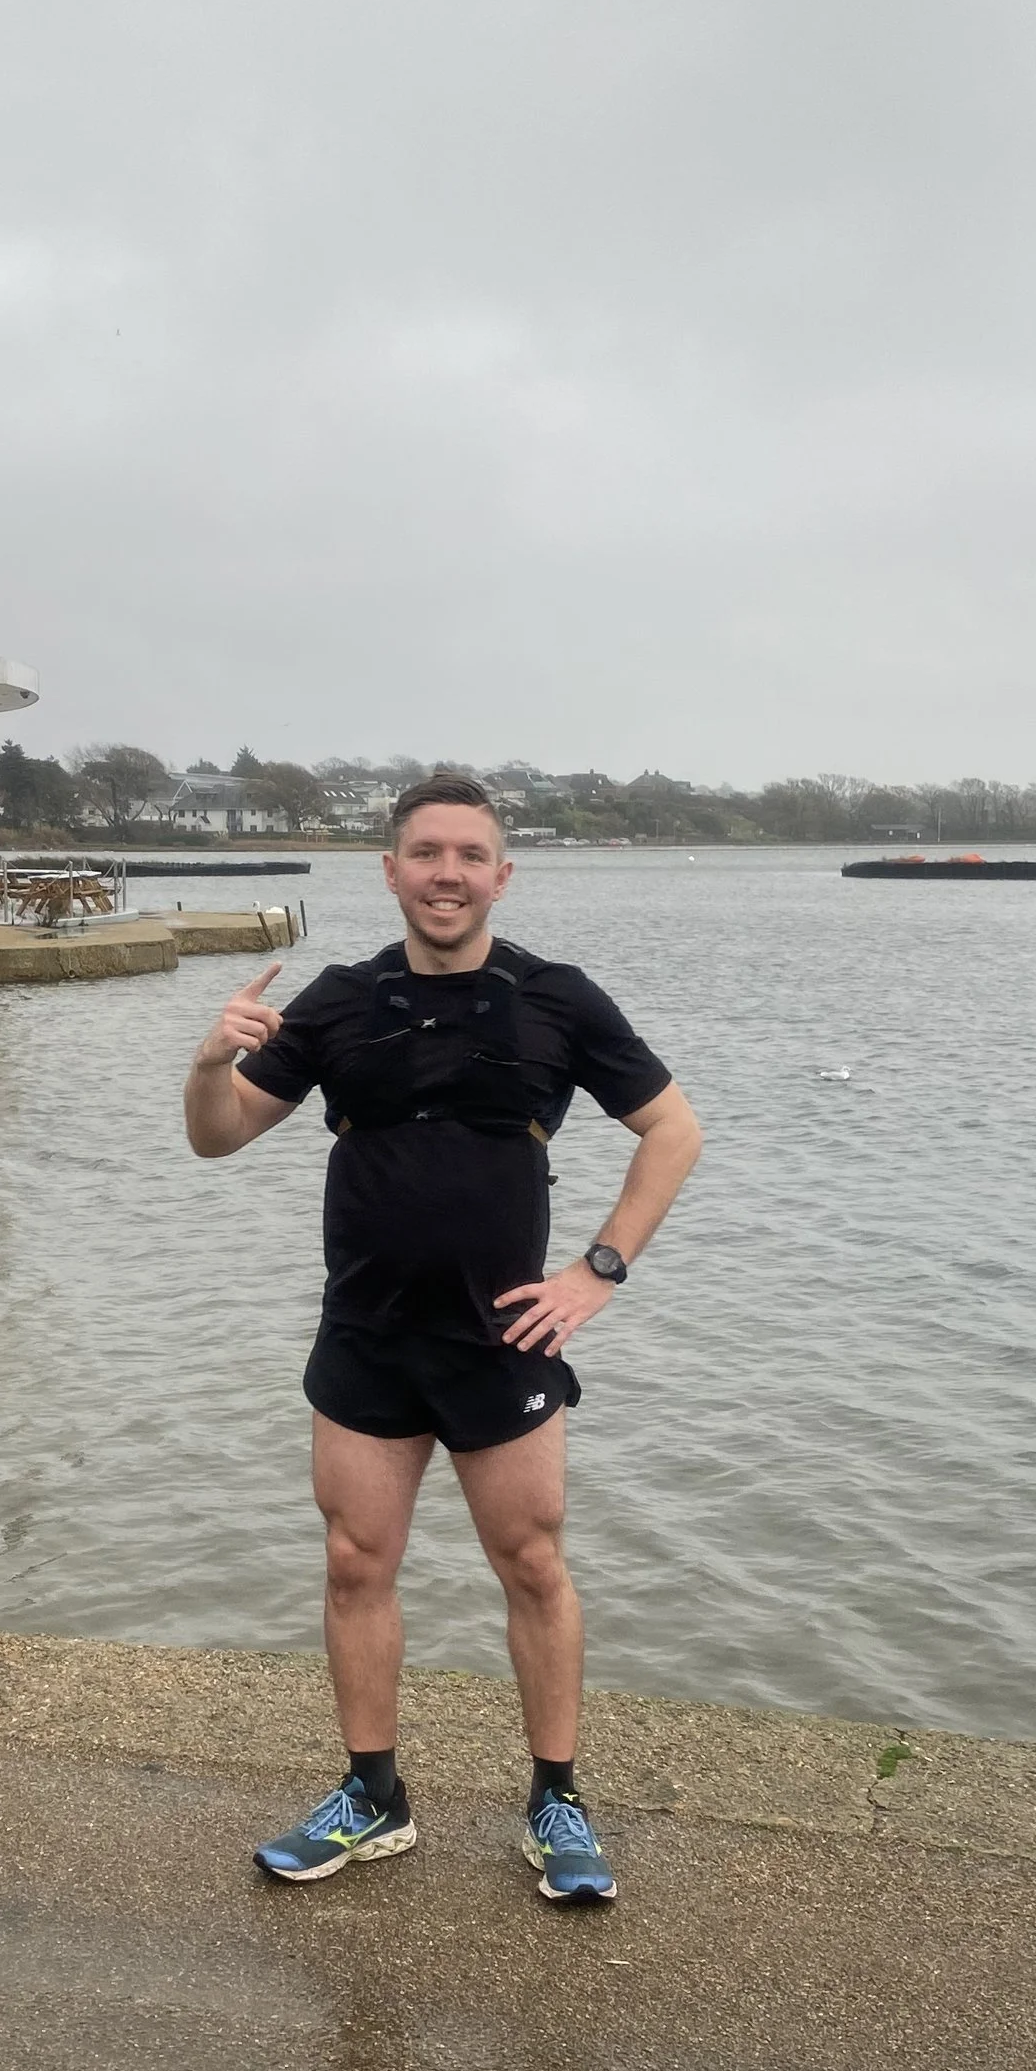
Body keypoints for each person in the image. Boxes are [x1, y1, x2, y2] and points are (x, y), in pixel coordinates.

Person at [183, 770, 703, 1907]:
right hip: (364, 1333)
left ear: (500, 874)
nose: (448, 874)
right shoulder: (336, 1000)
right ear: (391, 871)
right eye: (426, 854)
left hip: (500, 1338)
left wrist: (596, 1271)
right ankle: (372, 1797)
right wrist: (206, 1061)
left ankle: (555, 1800)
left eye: (470, 855)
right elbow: (218, 1140)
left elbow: (672, 1131)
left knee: (531, 1564)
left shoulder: (556, 1000)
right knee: (354, 1563)